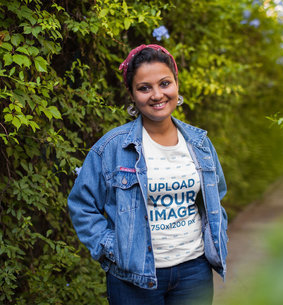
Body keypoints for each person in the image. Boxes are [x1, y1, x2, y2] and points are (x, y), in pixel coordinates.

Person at [68, 44, 228, 305]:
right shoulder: (112, 147)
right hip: (134, 276)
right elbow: (82, 205)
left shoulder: (199, 143)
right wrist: (113, 247)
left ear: (176, 84)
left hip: (194, 271)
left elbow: (216, 196)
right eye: (144, 88)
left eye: (165, 83)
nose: (157, 95)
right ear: (132, 95)